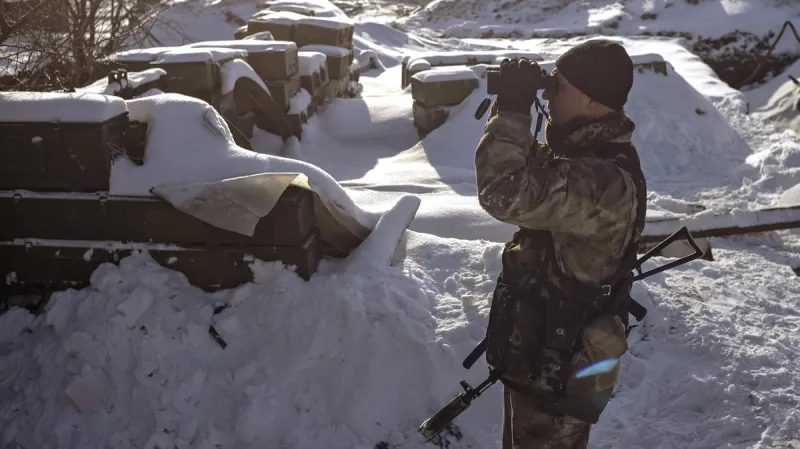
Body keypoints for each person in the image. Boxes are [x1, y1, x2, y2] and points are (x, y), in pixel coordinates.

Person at [474, 39, 648, 448]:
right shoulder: (586, 152)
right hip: (541, 359)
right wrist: (514, 105)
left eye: (558, 86)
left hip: (560, 376)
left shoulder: (602, 181)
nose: (548, 95)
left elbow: (503, 190)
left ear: (590, 99)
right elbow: (532, 174)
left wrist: (515, 110)